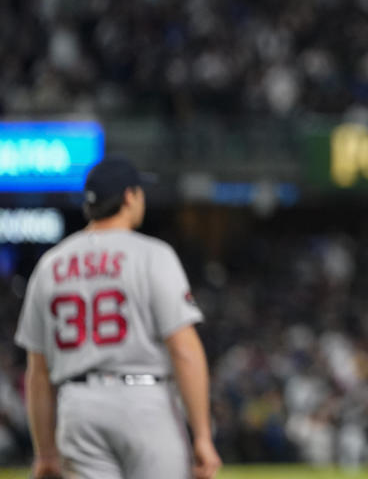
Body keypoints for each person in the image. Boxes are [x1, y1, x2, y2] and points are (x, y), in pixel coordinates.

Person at [14, 156, 221, 479]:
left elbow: (38, 372)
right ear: (129, 196)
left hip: (77, 405)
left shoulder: (50, 265)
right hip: (144, 401)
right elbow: (184, 350)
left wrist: (45, 453)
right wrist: (203, 436)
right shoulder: (152, 254)